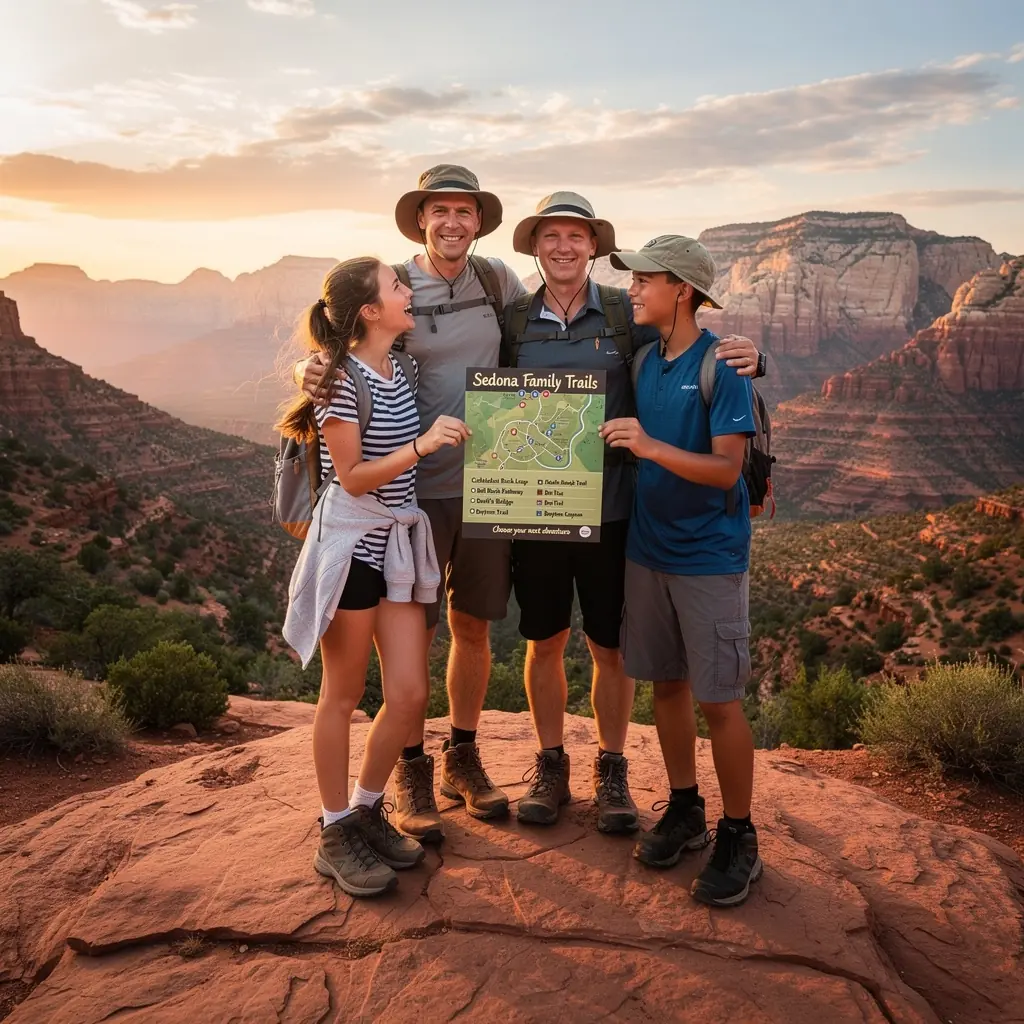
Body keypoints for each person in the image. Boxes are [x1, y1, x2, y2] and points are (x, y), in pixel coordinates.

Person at [503, 195, 762, 833]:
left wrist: (756, 357)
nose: (563, 246)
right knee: (543, 640)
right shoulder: (509, 319)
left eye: (576, 236)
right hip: (536, 505)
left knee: (609, 647)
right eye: (550, 236)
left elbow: (698, 346)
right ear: (534, 246)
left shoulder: (624, 315)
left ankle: (613, 768)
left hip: (616, 513)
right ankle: (551, 762)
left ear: (592, 246)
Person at [297, 166, 526, 843]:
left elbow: (554, 331)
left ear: (479, 221)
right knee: (415, 643)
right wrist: (306, 368)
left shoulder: (497, 281)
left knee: (475, 627)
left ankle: (462, 756)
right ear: (421, 219)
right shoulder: (391, 283)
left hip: (490, 481)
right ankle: (409, 772)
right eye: (440, 211)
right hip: (410, 500)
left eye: (465, 211)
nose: (453, 222)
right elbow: (341, 354)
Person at [279, 256, 470, 897]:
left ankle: (365, 809)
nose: (406, 293)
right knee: (342, 693)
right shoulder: (342, 380)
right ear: (369, 310)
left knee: (411, 692)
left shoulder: (402, 365)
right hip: (353, 543)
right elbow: (354, 476)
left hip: (396, 544)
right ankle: (334, 833)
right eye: (396, 287)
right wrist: (423, 446)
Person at [600, 235, 762, 907]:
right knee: (666, 687)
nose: (632, 290)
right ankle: (686, 806)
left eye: (645, 280)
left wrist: (650, 445)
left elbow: (726, 467)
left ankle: (739, 834)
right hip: (648, 551)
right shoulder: (643, 361)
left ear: (684, 291)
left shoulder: (720, 366)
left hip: (709, 559)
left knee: (717, 700)